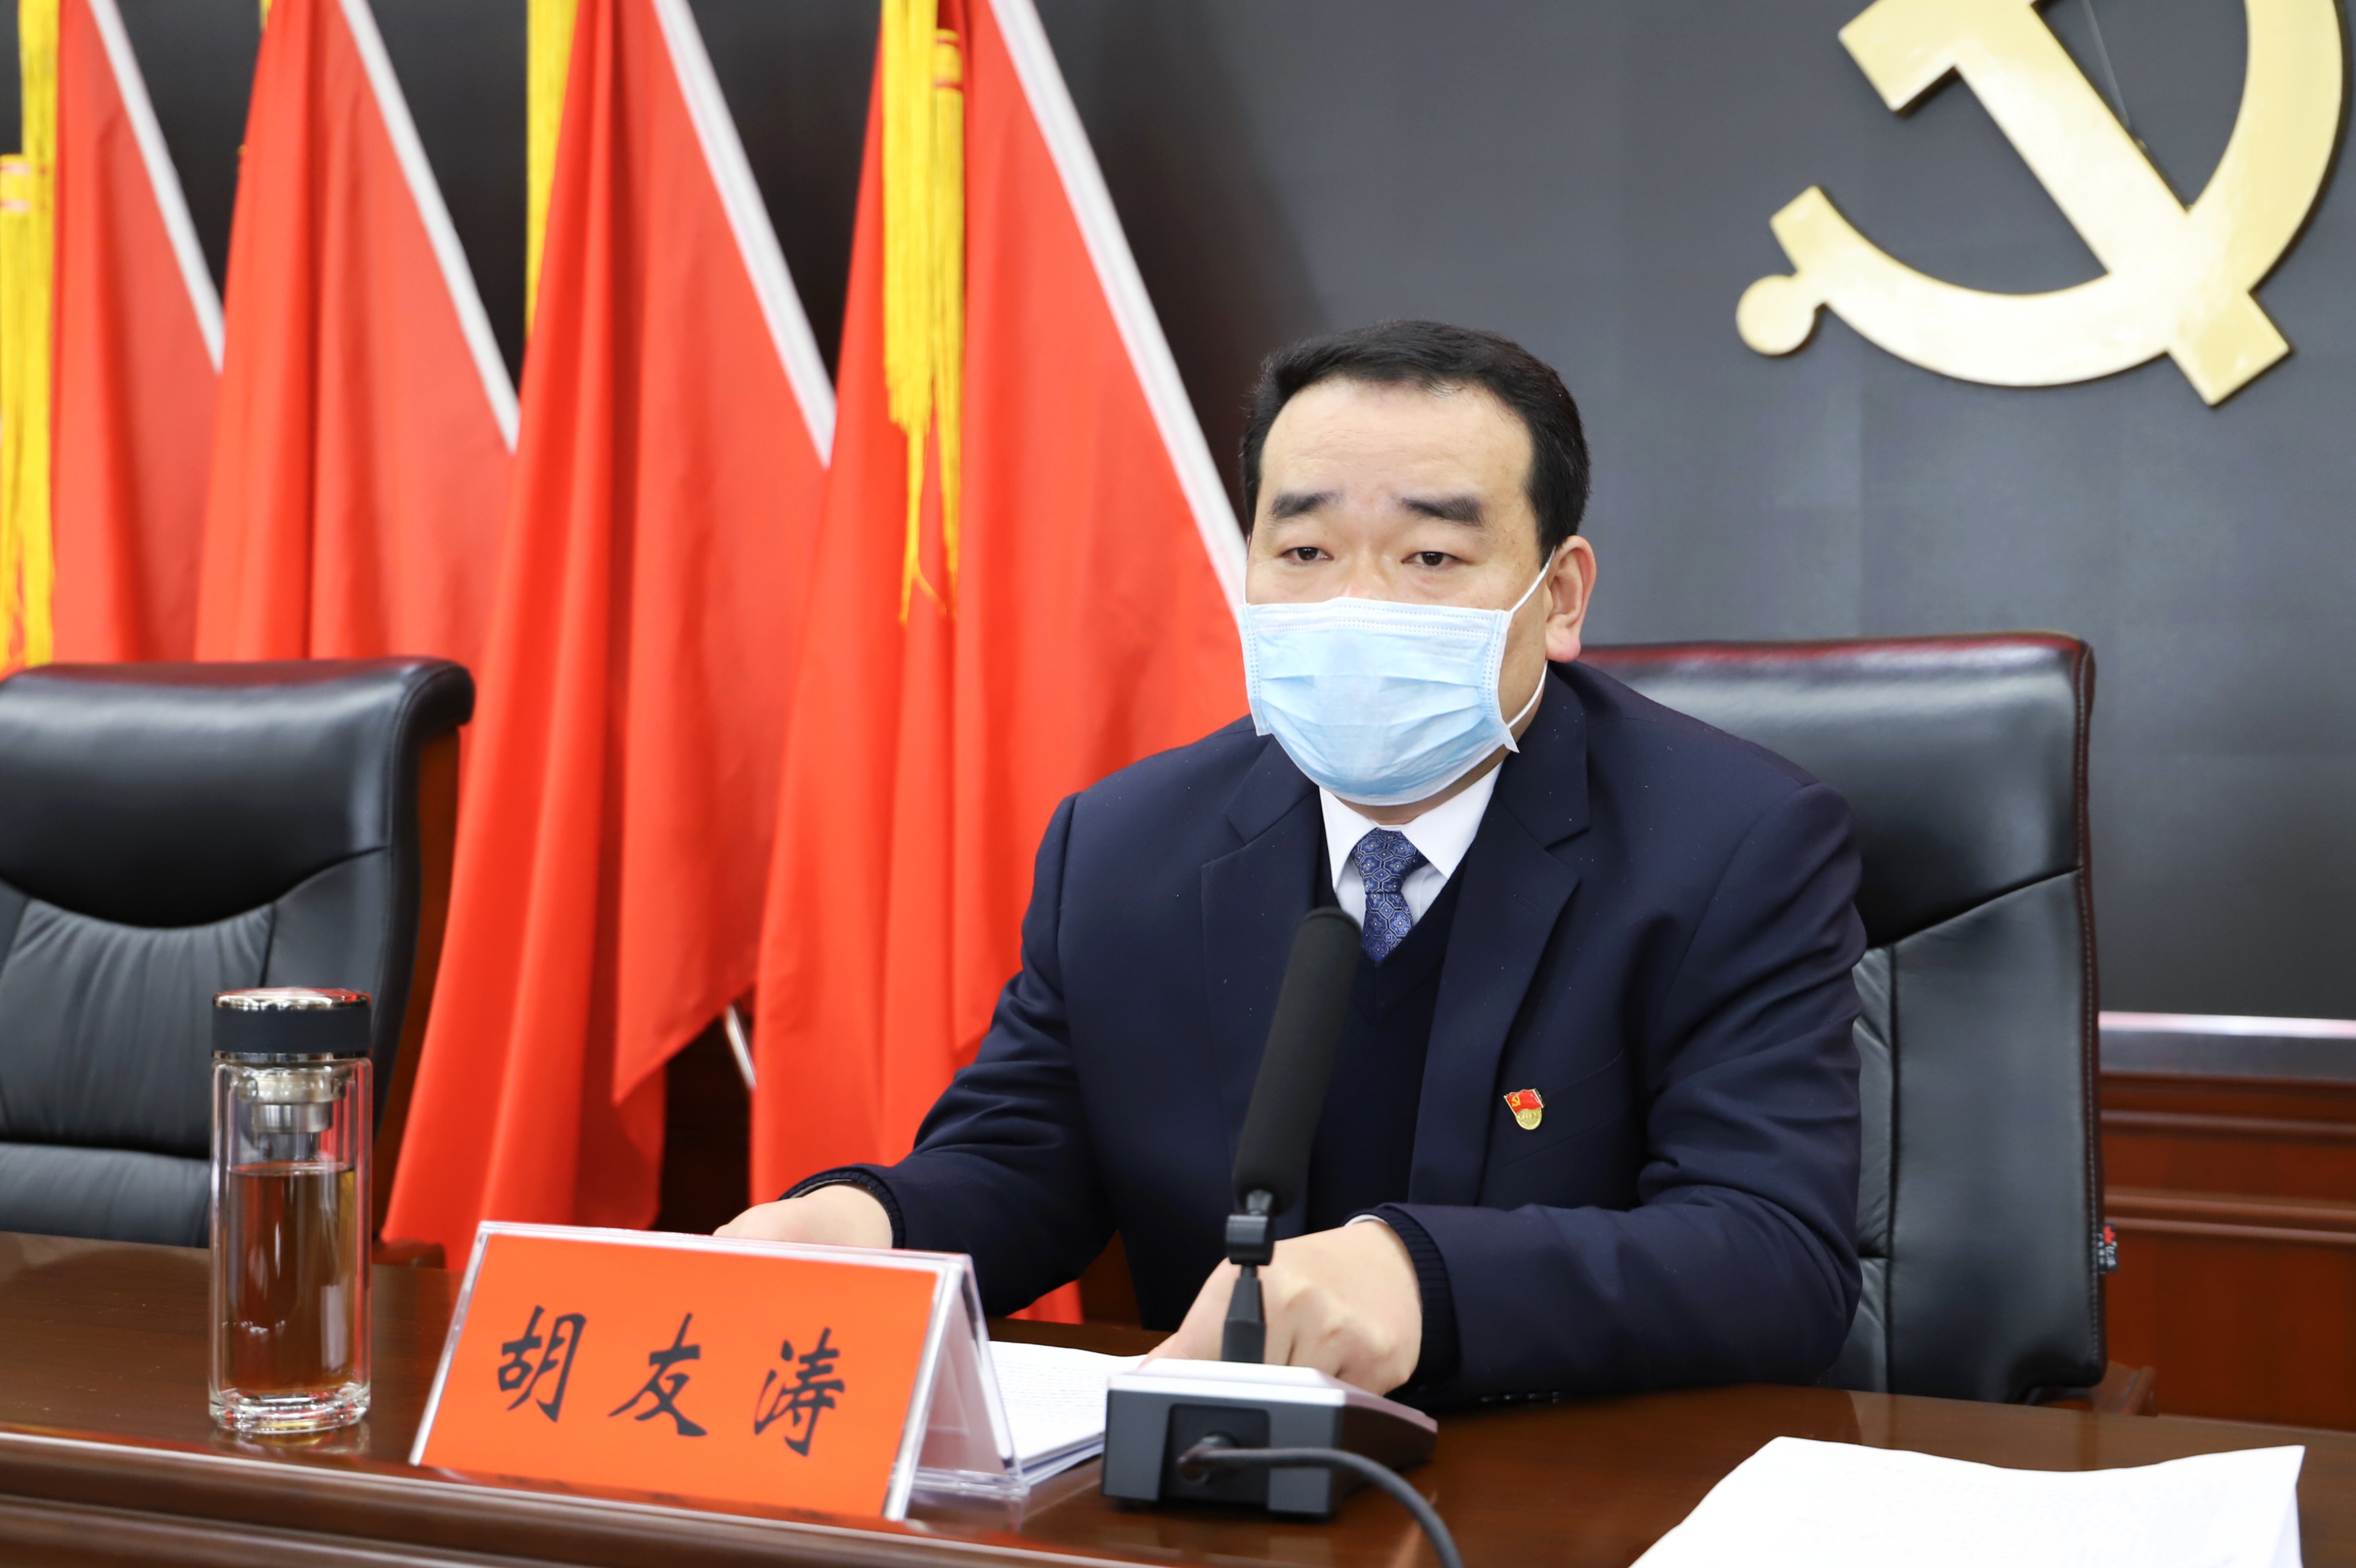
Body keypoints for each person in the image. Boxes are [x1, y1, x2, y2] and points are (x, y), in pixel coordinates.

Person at [722, 320, 1865, 1407]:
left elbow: (1775, 1255)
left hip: (1589, 1484)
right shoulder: (1124, 844)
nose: (1356, 604)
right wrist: (865, 1226)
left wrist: (1418, 1279)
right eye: (1306, 551)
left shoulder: (1735, 843)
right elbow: (1024, 1161)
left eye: (1431, 554)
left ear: (1559, 597)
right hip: (1219, 1482)